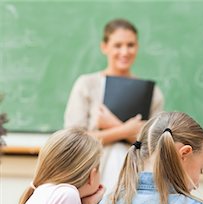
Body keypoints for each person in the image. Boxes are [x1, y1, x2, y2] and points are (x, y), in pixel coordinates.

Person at [64, 18, 164, 192]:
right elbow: (73, 140)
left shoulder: (152, 93)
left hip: (135, 181)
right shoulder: (87, 84)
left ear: (137, 47)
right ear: (105, 47)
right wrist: (126, 130)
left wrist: (112, 124)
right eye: (118, 45)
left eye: (130, 45)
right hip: (91, 178)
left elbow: (154, 146)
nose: (124, 52)